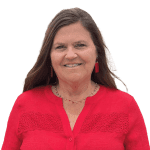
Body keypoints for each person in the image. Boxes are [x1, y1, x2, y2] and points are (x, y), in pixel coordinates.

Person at [1, 7, 150, 150]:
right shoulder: (24, 104)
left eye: (80, 45)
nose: (71, 55)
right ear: (49, 57)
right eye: (60, 47)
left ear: (97, 52)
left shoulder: (125, 106)